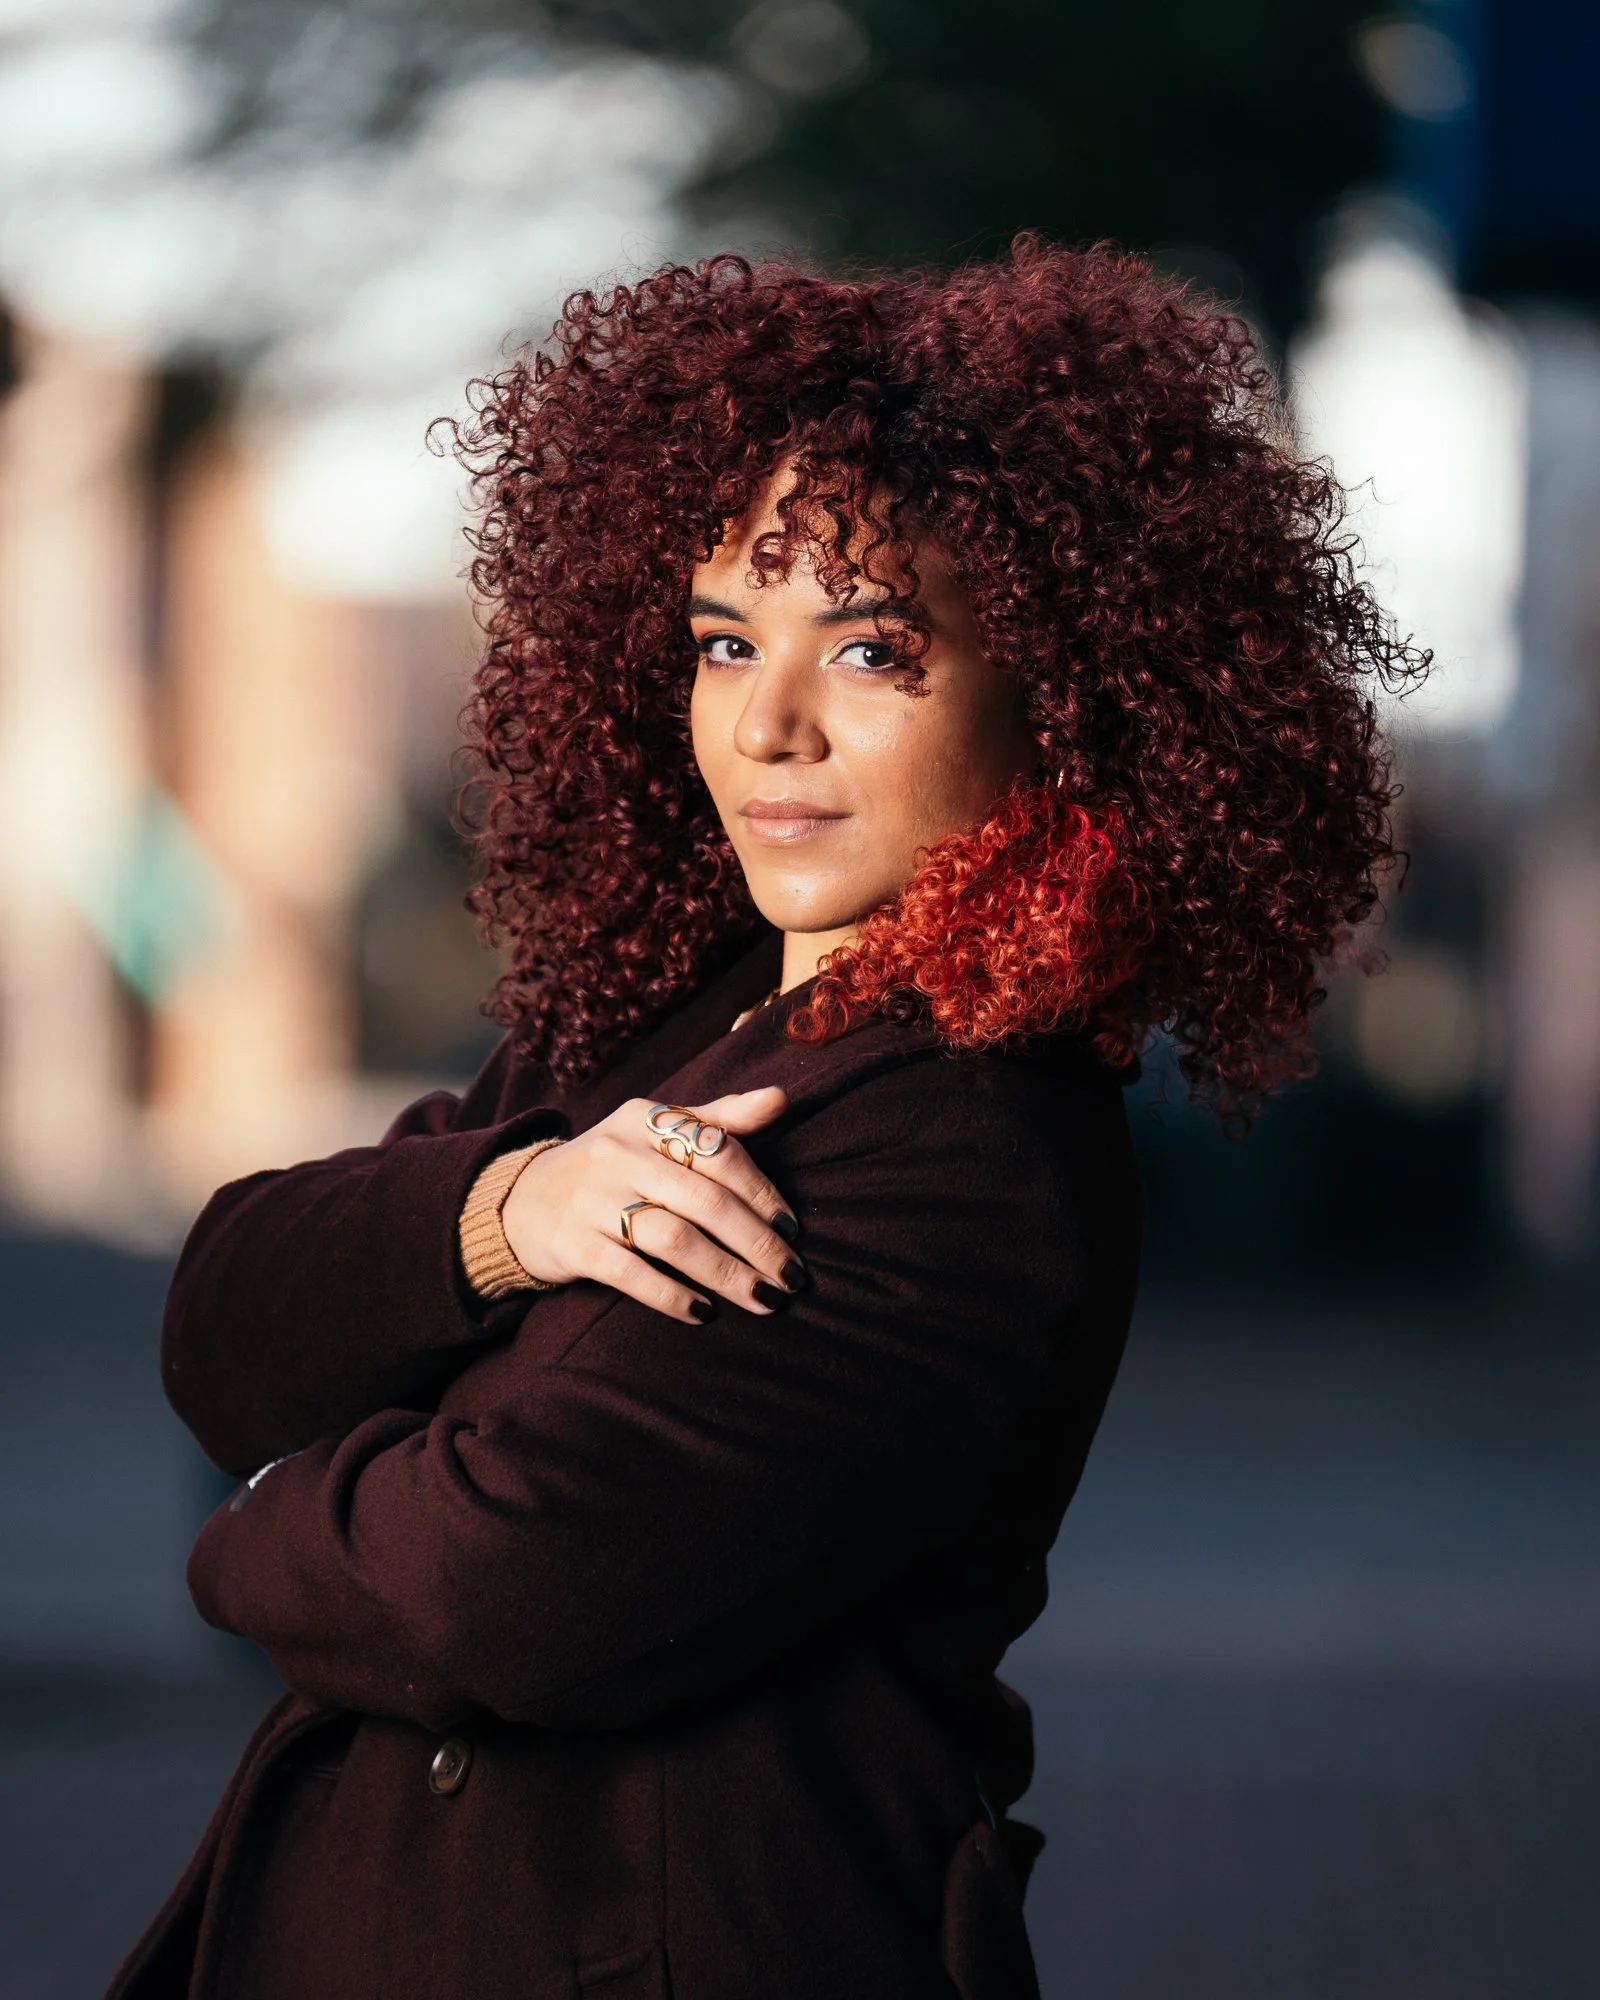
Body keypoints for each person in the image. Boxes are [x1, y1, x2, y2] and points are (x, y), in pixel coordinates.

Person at [110, 239, 1411, 2000]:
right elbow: (224, 1315)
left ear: (1066, 695)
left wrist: (259, 1506)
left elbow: (498, 1596)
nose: (772, 725)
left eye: (875, 651)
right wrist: (511, 1209)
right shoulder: (656, 1013)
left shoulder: (968, 1132)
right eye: (729, 639)